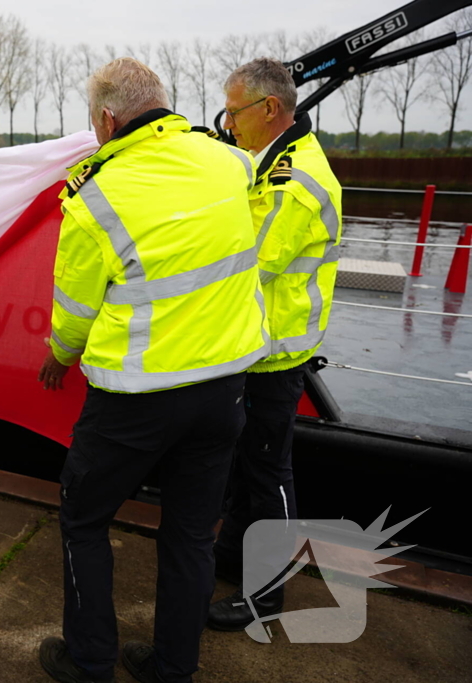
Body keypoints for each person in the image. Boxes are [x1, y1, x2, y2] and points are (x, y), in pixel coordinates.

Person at [35, 58, 268, 683]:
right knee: (191, 535)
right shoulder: (233, 162)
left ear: (108, 119)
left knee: (83, 518)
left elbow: (76, 311)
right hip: (223, 388)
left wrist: (59, 358)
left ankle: (88, 663)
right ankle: (172, 667)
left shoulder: (95, 197)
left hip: (135, 399)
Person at [207, 58, 342, 631]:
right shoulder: (274, 164)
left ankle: (268, 594)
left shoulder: (294, 179)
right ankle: (234, 557)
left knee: (268, 472)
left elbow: (253, 258)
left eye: (233, 112)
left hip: (276, 351)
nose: (227, 123)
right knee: (249, 463)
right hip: (258, 345)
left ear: (268, 109)